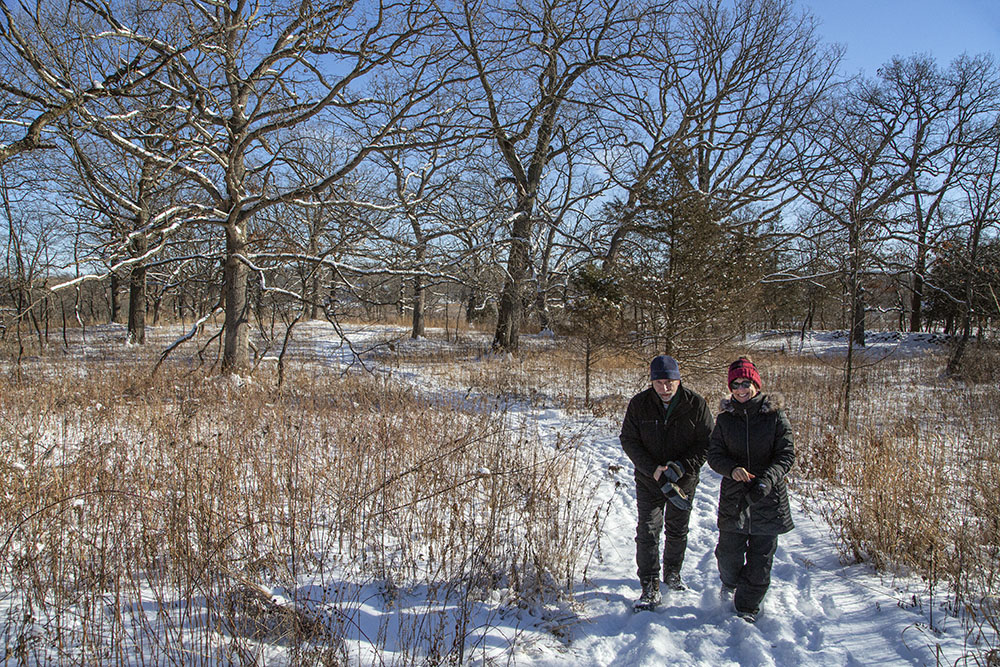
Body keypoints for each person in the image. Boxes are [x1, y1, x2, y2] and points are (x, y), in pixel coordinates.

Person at [620, 354, 714, 611]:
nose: (665, 387)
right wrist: (653, 469)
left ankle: (672, 573)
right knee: (648, 530)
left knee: (677, 529)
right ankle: (649, 585)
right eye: (659, 382)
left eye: (670, 381)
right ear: (651, 382)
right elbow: (628, 439)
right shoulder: (639, 404)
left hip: (682, 480)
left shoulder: (695, 404)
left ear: (679, 379)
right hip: (650, 479)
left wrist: (681, 466)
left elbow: (706, 443)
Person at [707, 356, 794, 623]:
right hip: (735, 497)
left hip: (768, 496)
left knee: (760, 561)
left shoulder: (775, 416)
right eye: (735, 384)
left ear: (756, 384)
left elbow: (786, 454)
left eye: (746, 383)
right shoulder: (725, 419)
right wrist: (732, 469)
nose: (741, 389)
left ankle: (747, 608)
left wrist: (768, 479)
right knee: (728, 556)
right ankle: (731, 583)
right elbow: (714, 454)